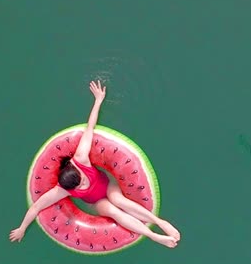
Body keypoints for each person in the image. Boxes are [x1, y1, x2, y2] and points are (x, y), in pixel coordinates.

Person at [9, 80, 181, 248]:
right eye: (79, 186)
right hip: (96, 202)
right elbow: (36, 206)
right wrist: (22, 228)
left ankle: (161, 222)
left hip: (108, 186)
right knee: (113, 211)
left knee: (118, 200)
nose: (84, 183)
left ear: (76, 169)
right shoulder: (62, 189)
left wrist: (98, 100)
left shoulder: (81, 158)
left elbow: (89, 128)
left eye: (82, 180)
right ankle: (154, 236)